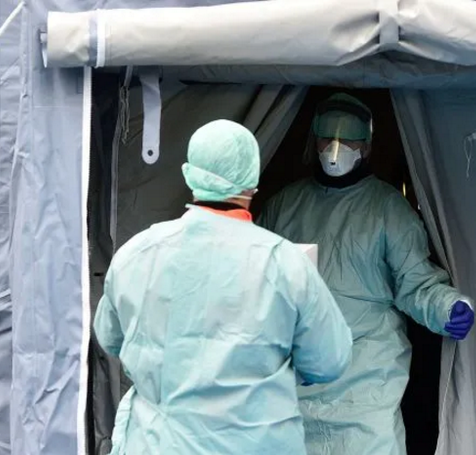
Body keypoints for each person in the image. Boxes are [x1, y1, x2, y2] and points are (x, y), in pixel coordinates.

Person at [94, 119, 353, 455]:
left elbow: (110, 338)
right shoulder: (285, 262)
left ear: (189, 174)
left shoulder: (137, 253)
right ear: (252, 184)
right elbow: (329, 361)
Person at [258, 93, 476, 455]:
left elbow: (416, 282)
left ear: (367, 146)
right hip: (297, 385)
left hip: (365, 386)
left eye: (349, 141)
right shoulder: (284, 207)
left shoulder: (388, 209)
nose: (335, 149)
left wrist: (446, 308)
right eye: (327, 139)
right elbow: (258, 282)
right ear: (313, 141)